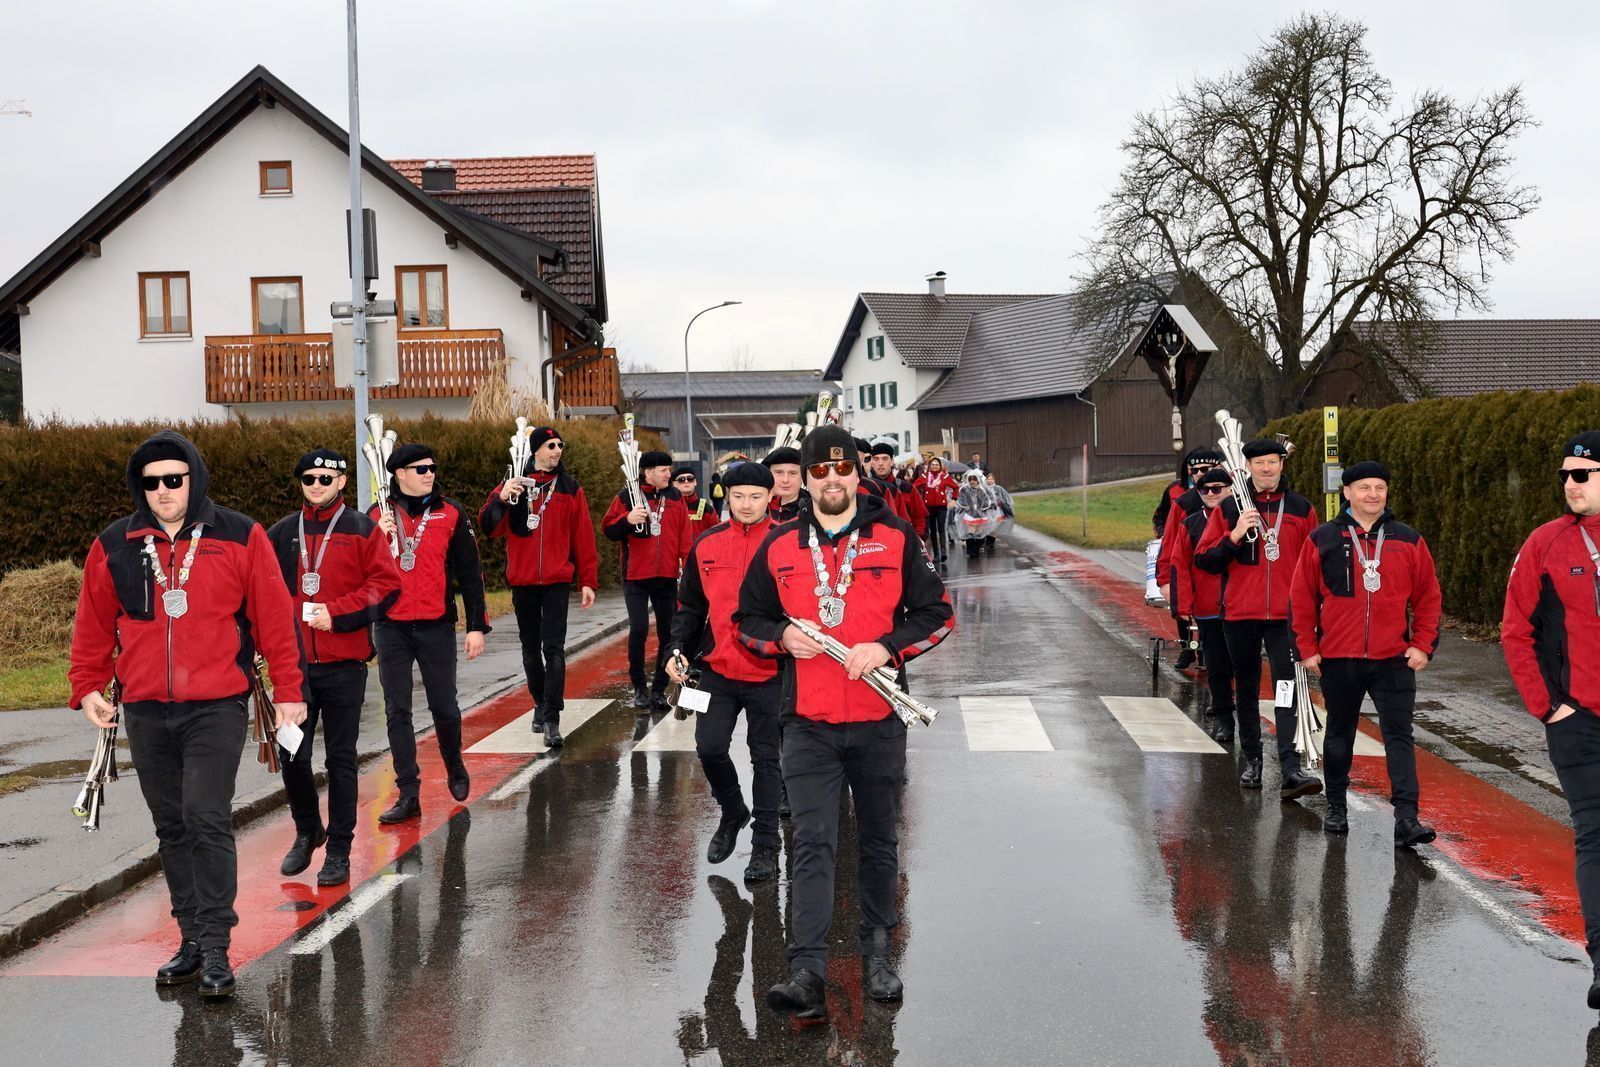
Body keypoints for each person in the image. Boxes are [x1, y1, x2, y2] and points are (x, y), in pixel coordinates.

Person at [69, 430, 307, 998]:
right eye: (151, 483)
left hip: (218, 704)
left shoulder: (239, 534)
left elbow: (275, 618)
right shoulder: (117, 543)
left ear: (193, 479)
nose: (163, 491)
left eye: (173, 480)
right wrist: (87, 687)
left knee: (205, 815)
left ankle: (220, 949)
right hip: (147, 708)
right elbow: (94, 622)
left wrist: (290, 688)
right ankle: (192, 939)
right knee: (172, 826)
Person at [735, 425, 955, 1019]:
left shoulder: (895, 534)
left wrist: (887, 647)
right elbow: (746, 621)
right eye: (819, 472)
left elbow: (938, 613)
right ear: (804, 480)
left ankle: (878, 956)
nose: (832, 480)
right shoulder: (779, 545)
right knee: (812, 841)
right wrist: (781, 636)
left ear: (857, 473)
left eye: (842, 470)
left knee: (880, 841)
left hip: (880, 718)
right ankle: (806, 969)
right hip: (808, 723)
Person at [266, 449, 401, 886]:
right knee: (292, 755)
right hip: (294, 668)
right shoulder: (282, 533)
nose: (317, 486)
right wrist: (287, 619)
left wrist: (336, 614)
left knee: (341, 760)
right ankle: (309, 830)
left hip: (345, 664)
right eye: (309, 479)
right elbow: (261, 593)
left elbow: (387, 585)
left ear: (342, 482)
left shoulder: (362, 529)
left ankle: (339, 849)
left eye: (326, 478)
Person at [1290, 460, 1442, 844]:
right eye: (1364, 488)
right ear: (1347, 493)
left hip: (1394, 658)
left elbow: (1428, 596)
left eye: (1379, 487)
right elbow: (1302, 596)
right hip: (1340, 657)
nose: (1373, 494)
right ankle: (1337, 807)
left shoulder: (1408, 539)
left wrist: (1422, 644)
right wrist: (1307, 648)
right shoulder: (1324, 538)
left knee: (1399, 737)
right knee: (1340, 733)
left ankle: (1406, 819)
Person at [1503, 430, 1600, 1008]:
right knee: (1595, 834)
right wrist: (1550, 708)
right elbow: (1516, 631)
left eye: (1582, 475)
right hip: (1578, 720)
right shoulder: (1545, 543)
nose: (1569, 484)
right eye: (1565, 474)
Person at [667, 463, 784, 882]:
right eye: (738, 497)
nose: (747, 504)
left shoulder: (785, 543)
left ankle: (766, 844)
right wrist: (676, 650)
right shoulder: (706, 543)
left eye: (755, 496)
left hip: (771, 670)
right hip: (717, 669)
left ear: (771, 497)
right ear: (726, 498)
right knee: (710, 747)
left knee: (766, 759)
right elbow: (690, 608)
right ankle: (733, 811)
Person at [370, 443, 490, 823]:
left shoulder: (450, 511)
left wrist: (475, 626)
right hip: (391, 626)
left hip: (437, 624)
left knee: (445, 707)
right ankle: (408, 792)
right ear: (399, 474)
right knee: (397, 710)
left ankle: (454, 764)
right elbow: (359, 574)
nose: (429, 474)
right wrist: (375, 536)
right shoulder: (375, 514)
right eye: (420, 469)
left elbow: (471, 573)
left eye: (432, 468)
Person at [1195, 437, 1321, 798]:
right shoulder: (1230, 509)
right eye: (1260, 463)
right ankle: (1252, 760)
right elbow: (1205, 560)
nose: (1267, 469)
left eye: (1273, 462)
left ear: (1282, 465)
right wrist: (1234, 536)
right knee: (1247, 688)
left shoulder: (1300, 508)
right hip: (1240, 614)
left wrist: (1316, 611)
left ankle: (1291, 768)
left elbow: (1315, 564)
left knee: (1287, 689)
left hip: (1286, 617)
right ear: (1247, 467)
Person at [479, 426, 599, 747]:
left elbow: (583, 538)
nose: (557, 450)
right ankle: (539, 702)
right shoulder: (514, 484)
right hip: (523, 582)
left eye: (560, 444)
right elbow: (488, 527)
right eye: (550, 445)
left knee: (554, 650)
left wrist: (588, 580)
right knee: (531, 652)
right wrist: (502, 499)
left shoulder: (571, 488)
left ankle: (552, 718)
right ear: (535, 451)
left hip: (557, 581)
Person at [603, 448, 692, 709]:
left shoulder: (675, 497)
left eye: (669, 469)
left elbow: (685, 538)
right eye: (664, 470)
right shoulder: (627, 496)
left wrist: (689, 573)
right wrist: (627, 519)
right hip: (635, 577)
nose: (669, 474)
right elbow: (608, 529)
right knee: (639, 629)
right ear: (648, 472)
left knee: (669, 633)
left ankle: (660, 689)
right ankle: (639, 687)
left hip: (666, 576)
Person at [1171, 466, 1237, 741]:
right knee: (1217, 666)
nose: (1211, 494)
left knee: (1243, 667)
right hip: (1208, 608)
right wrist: (1183, 607)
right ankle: (1224, 719)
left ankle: (1245, 714)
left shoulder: (1242, 519)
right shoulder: (1191, 524)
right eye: (1205, 490)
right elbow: (1180, 565)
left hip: (1239, 607)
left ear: (1230, 490)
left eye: (1217, 489)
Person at [1156, 448, 1223, 667]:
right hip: (1193, 573)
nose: (1200, 474)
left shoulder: (1234, 498)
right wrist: (1165, 580)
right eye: (1194, 471)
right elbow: (1170, 544)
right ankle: (1188, 648)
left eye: (1206, 469)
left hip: (1225, 577)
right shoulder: (1182, 503)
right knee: (1186, 613)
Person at [916, 456, 957, 571]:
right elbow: (914, 486)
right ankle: (936, 554)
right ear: (930, 466)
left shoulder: (944, 476)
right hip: (929, 507)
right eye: (933, 464)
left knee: (941, 529)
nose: (935, 466)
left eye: (937, 464)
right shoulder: (924, 476)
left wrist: (954, 499)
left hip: (941, 507)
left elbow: (955, 487)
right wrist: (919, 499)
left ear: (940, 466)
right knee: (932, 531)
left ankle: (943, 552)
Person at [674, 466, 719, 542]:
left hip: (700, 552)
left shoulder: (707, 509)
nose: (686, 481)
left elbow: (716, 536)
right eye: (681, 480)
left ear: (695, 482)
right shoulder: (669, 507)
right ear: (674, 484)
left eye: (690, 479)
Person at [763, 445, 806, 521]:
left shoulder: (813, 510)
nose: (785, 480)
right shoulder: (757, 506)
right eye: (779, 472)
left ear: (803, 476)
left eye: (792, 473)